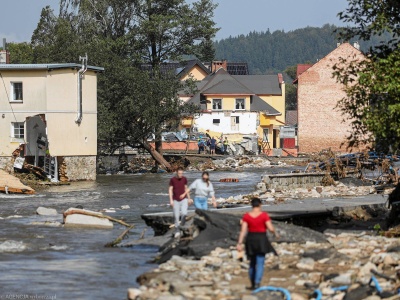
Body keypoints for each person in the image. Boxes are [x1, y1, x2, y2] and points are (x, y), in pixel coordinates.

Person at [237, 198, 279, 290]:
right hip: (261, 239)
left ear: (252, 205)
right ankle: (257, 283)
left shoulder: (247, 216)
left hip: (251, 239)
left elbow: (243, 231)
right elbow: (270, 228)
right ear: (260, 205)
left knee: (252, 262)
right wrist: (275, 233)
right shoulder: (264, 215)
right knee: (260, 262)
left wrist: (239, 243)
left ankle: (252, 283)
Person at [169, 167, 190, 238]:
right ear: (176, 173)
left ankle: (182, 227)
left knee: (184, 213)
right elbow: (170, 190)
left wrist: (189, 198)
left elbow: (186, 188)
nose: (181, 175)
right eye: (179, 173)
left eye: (182, 173)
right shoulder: (172, 180)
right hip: (175, 200)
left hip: (184, 199)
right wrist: (171, 200)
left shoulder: (184, 179)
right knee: (176, 216)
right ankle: (177, 231)